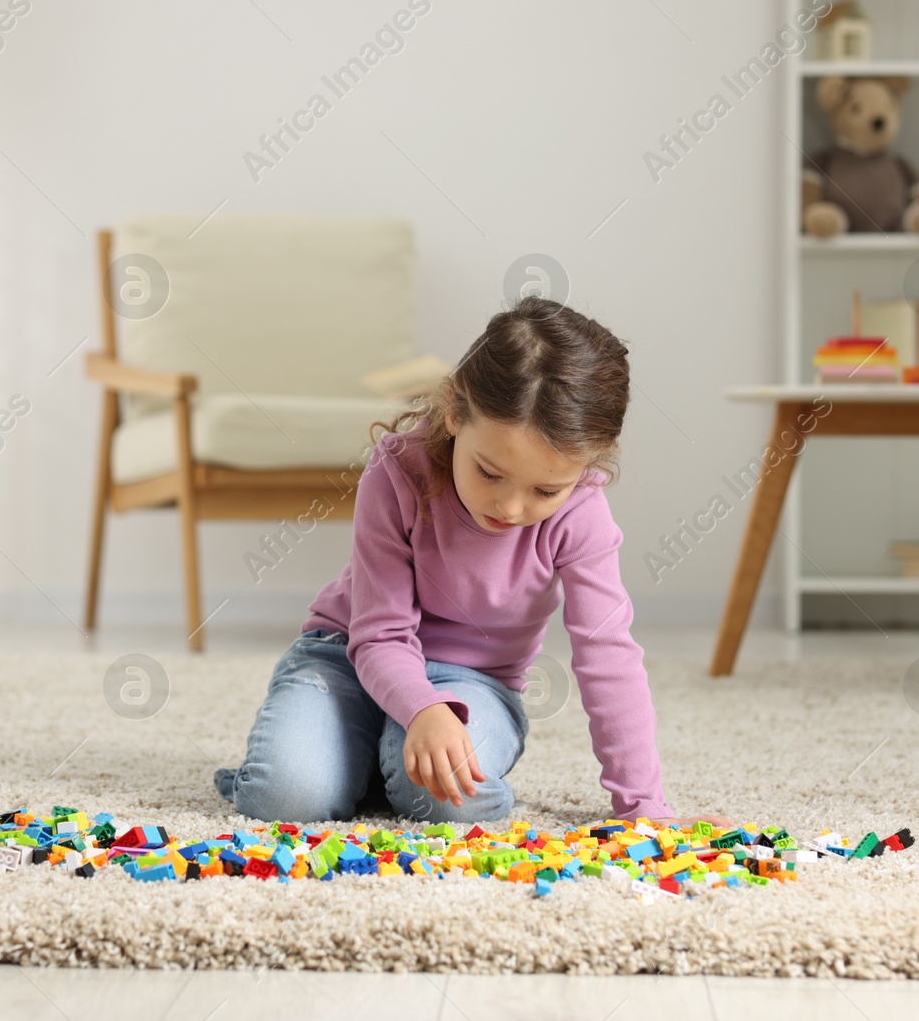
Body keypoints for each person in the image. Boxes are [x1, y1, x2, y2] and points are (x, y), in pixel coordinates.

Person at [215, 297, 705, 825]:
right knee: (287, 798)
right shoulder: (399, 472)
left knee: (450, 802)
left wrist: (643, 805)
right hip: (347, 657)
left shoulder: (582, 511)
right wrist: (421, 709)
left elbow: (607, 655)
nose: (512, 508)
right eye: (490, 473)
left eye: (545, 490)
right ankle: (362, 755)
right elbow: (378, 634)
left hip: (474, 681)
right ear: (454, 413)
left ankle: (375, 764)